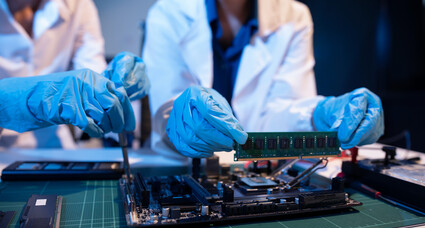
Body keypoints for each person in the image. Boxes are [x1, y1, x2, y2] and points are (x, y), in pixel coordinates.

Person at [144, 0, 384, 158]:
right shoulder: (167, 14)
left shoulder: (294, 16)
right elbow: (165, 114)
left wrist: (317, 114)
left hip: (254, 168)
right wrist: (182, 117)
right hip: (183, 166)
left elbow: (280, 115)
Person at [0, 0, 148, 148]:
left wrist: (113, 86)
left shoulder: (78, 4)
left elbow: (92, 76)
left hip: (54, 146)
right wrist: (14, 100)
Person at [0, 65, 149, 140]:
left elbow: (90, 72)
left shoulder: (77, 5)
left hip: (61, 148)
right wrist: (10, 99)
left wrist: (109, 84)